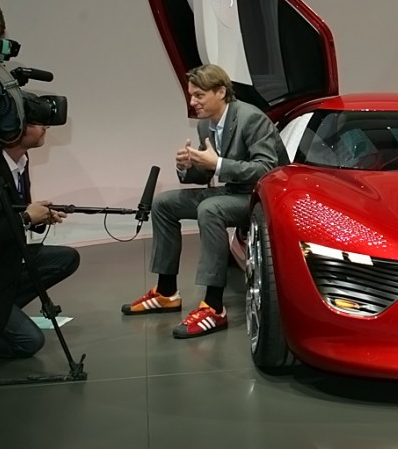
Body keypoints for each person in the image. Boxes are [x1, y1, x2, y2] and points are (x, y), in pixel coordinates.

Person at [121, 64, 288, 339]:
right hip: (235, 191)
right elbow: (205, 172)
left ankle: (214, 306)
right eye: (191, 95)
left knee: (210, 209)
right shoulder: (205, 125)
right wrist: (188, 166)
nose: (192, 102)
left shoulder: (251, 118)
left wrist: (218, 163)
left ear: (220, 92)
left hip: (262, 197)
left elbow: (267, 169)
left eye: (199, 95)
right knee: (163, 204)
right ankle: (166, 292)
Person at [0, 123, 77, 358]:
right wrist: (26, 218)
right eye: (36, 122)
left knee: (66, 259)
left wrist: (38, 218)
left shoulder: (21, 161)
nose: (46, 126)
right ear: (13, 126)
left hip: (2, 261)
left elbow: (8, 211)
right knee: (30, 342)